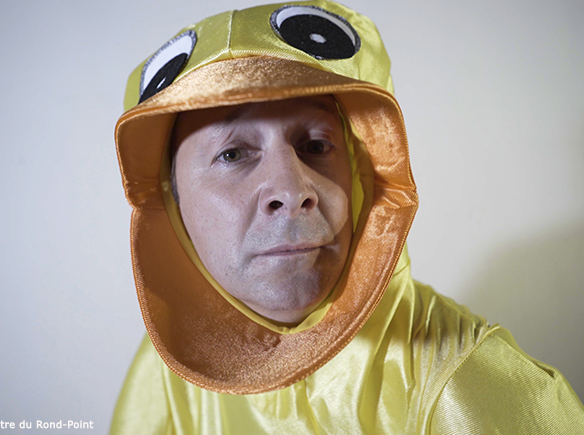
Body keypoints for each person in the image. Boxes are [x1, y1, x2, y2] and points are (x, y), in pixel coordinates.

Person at [111, 1, 584, 433]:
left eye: (316, 145)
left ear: (362, 173)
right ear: (172, 200)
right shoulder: (168, 370)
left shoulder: (471, 388)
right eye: (233, 153)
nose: (292, 191)